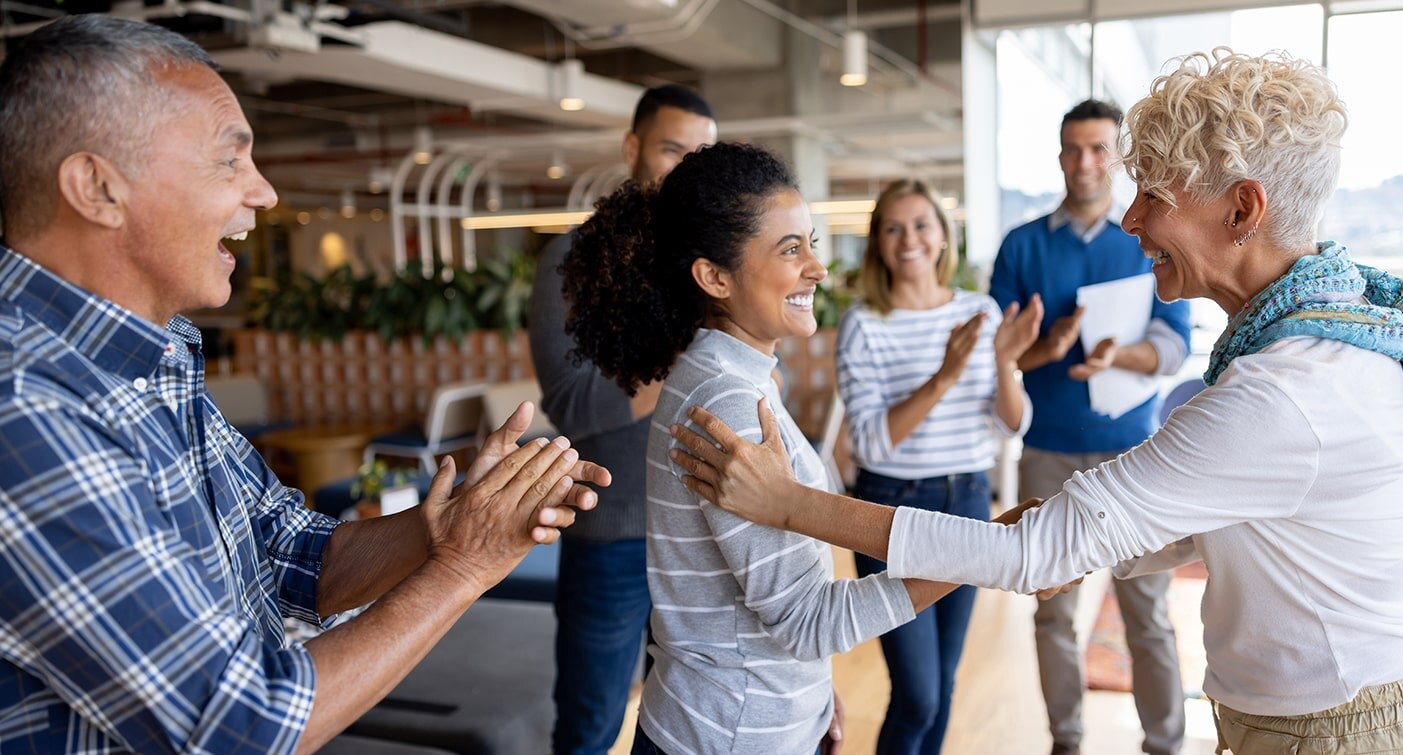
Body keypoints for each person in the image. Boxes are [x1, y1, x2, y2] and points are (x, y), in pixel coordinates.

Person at [668, 49, 1403, 754]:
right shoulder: (1329, 337)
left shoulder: (1286, 386)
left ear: (1243, 209)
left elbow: (1038, 552)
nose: (1131, 219)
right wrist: (1047, 538)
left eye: (1156, 197)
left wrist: (790, 503)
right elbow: (1239, 522)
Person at [0, 15, 608, 753]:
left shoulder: (151, 355)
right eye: (230, 161)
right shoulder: (24, 401)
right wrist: (462, 565)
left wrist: (442, 527)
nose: (264, 193)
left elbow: (288, 552)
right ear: (96, 187)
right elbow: (237, 726)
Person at [562, 143, 968, 755]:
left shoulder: (733, 378)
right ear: (714, 277)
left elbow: (760, 595)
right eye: (790, 249)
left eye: (812, 243)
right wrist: (973, 559)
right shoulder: (725, 403)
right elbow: (807, 620)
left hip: (744, 722)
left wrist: (808, 698)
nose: (817, 268)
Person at [990, 98, 1190, 755]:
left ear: (1118, 155)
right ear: (1059, 156)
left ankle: (1164, 743)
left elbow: (1174, 343)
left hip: (1136, 456)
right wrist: (1049, 347)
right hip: (1046, 451)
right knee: (1052, 611)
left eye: (1100, 148)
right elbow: (997, 355)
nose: (1086, 162)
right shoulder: (1022, 245)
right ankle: (1066, 741)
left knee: (1148, 616)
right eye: (1074, 149)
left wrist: (1116, 355)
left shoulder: (1147, 237)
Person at [528, 83, 716, 755]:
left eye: (703, 154)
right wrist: (697, 353)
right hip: (614, 535)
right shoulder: (572, 258)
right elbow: (576, 405)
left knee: (692, 728)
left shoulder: (714, 266)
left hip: (707, 536)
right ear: (633, 147)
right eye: (673, 150)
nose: (688, 169)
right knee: (590, 727)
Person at [837, 178, 1038, 754]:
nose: (909, 239)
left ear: (943, 236)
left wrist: (1003, 361)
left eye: (922, 225)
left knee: (943, 685)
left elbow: (1011, 424)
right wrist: (944, 376)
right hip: (888, 513)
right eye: (893, 228)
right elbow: (872, 444)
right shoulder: (864, 324)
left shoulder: (981, 311)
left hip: (968, 503)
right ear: (877, 242)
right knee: (918, 692)